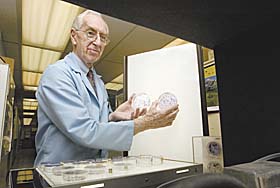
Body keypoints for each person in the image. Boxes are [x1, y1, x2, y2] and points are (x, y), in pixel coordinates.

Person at [34, 9, 179, 166]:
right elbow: (84, 131)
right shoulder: (57, 74)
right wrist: (146, 122)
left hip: (91, 171)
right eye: (91, 33)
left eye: (103, 38)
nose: (97, 42)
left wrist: (113, 116)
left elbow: (98, 125)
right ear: (74, 36)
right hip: (58, 174)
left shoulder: (98, 81)